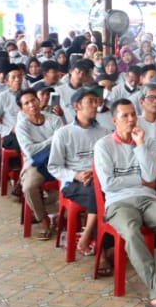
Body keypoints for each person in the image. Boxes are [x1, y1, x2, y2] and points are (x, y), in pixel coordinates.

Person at [93, 99, 156, 307]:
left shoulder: (146, 140)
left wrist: (141, 146)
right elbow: (108, 184)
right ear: (114, 120)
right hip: (118, 202)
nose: (131, 119)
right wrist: (140, 180)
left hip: (147, 198)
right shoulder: (103, 145)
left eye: (133, 114)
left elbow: (151, 175)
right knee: (132, 232)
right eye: (124, 116)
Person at [47, 86, 111, 257]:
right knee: (97, 196)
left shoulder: (104, 132)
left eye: (96, 102)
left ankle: (89, 234)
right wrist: (76, 175)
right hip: (73, 183)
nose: (95, 106)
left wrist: (96, 171)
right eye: (89, 102)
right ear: (77, 106)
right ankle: (102, 253)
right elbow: (53, 166)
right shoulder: (63, 133)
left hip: (98, 180)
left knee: (101, 193)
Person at [15, 88, 65, 240]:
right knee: (29, 186)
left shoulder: (54, 120)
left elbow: (62, 143)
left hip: (59, 159)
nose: (32, 105)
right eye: (27, 103)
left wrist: (47, 144)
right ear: (22, 109)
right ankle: (43, 219)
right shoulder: (22, 126)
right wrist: (52, 140)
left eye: (33, 100)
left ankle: (64, 215)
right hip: (35, 163)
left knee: (77, 180)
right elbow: (30, 151)